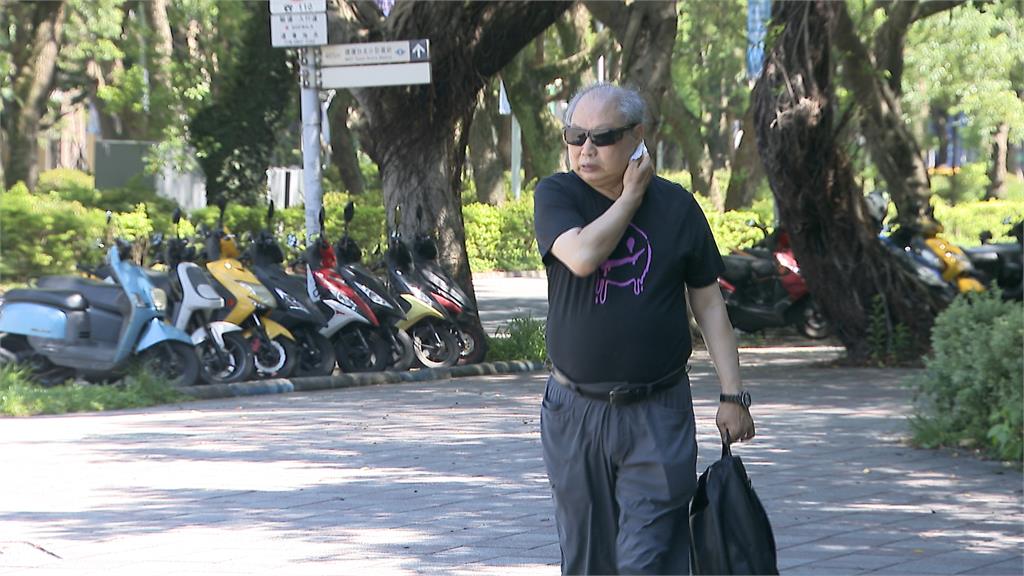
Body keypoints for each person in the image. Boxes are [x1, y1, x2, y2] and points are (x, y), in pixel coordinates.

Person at [533, 83, 756, 575]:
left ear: (637, 136)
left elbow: (709, 305)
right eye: (575, 135)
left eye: (603, 137)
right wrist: (631, 197)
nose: (585, 149)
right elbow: (583, 256)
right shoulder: (557, 194)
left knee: (649, 559)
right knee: (588, 558)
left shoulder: (677, 207)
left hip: (658, 410)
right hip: (575, 411)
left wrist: (733, 396)